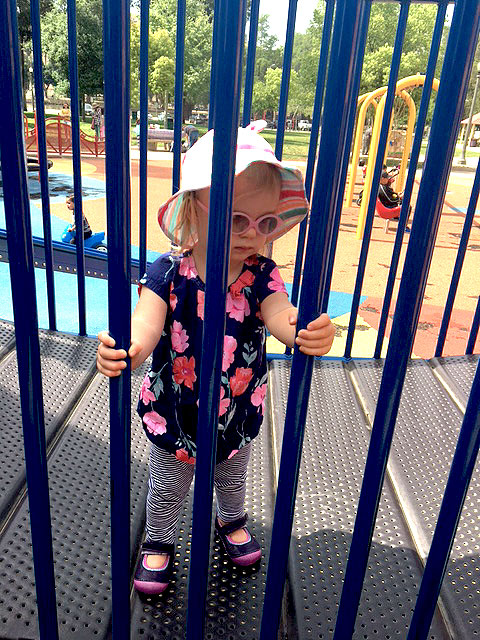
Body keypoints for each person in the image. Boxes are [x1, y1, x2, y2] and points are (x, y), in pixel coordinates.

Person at [96, 120, 335, 595]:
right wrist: (132, 348)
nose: (254, 234)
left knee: (232, 475)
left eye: (267, 223)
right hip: (176, 409)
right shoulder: (169, 271)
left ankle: (232, 521)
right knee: (169, 484)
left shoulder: (262, 274)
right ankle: (159, 539)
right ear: (194, 210)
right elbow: (147, 319)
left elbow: (279, 314)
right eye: (237, 219)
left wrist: (304, 332)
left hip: (236, 407)